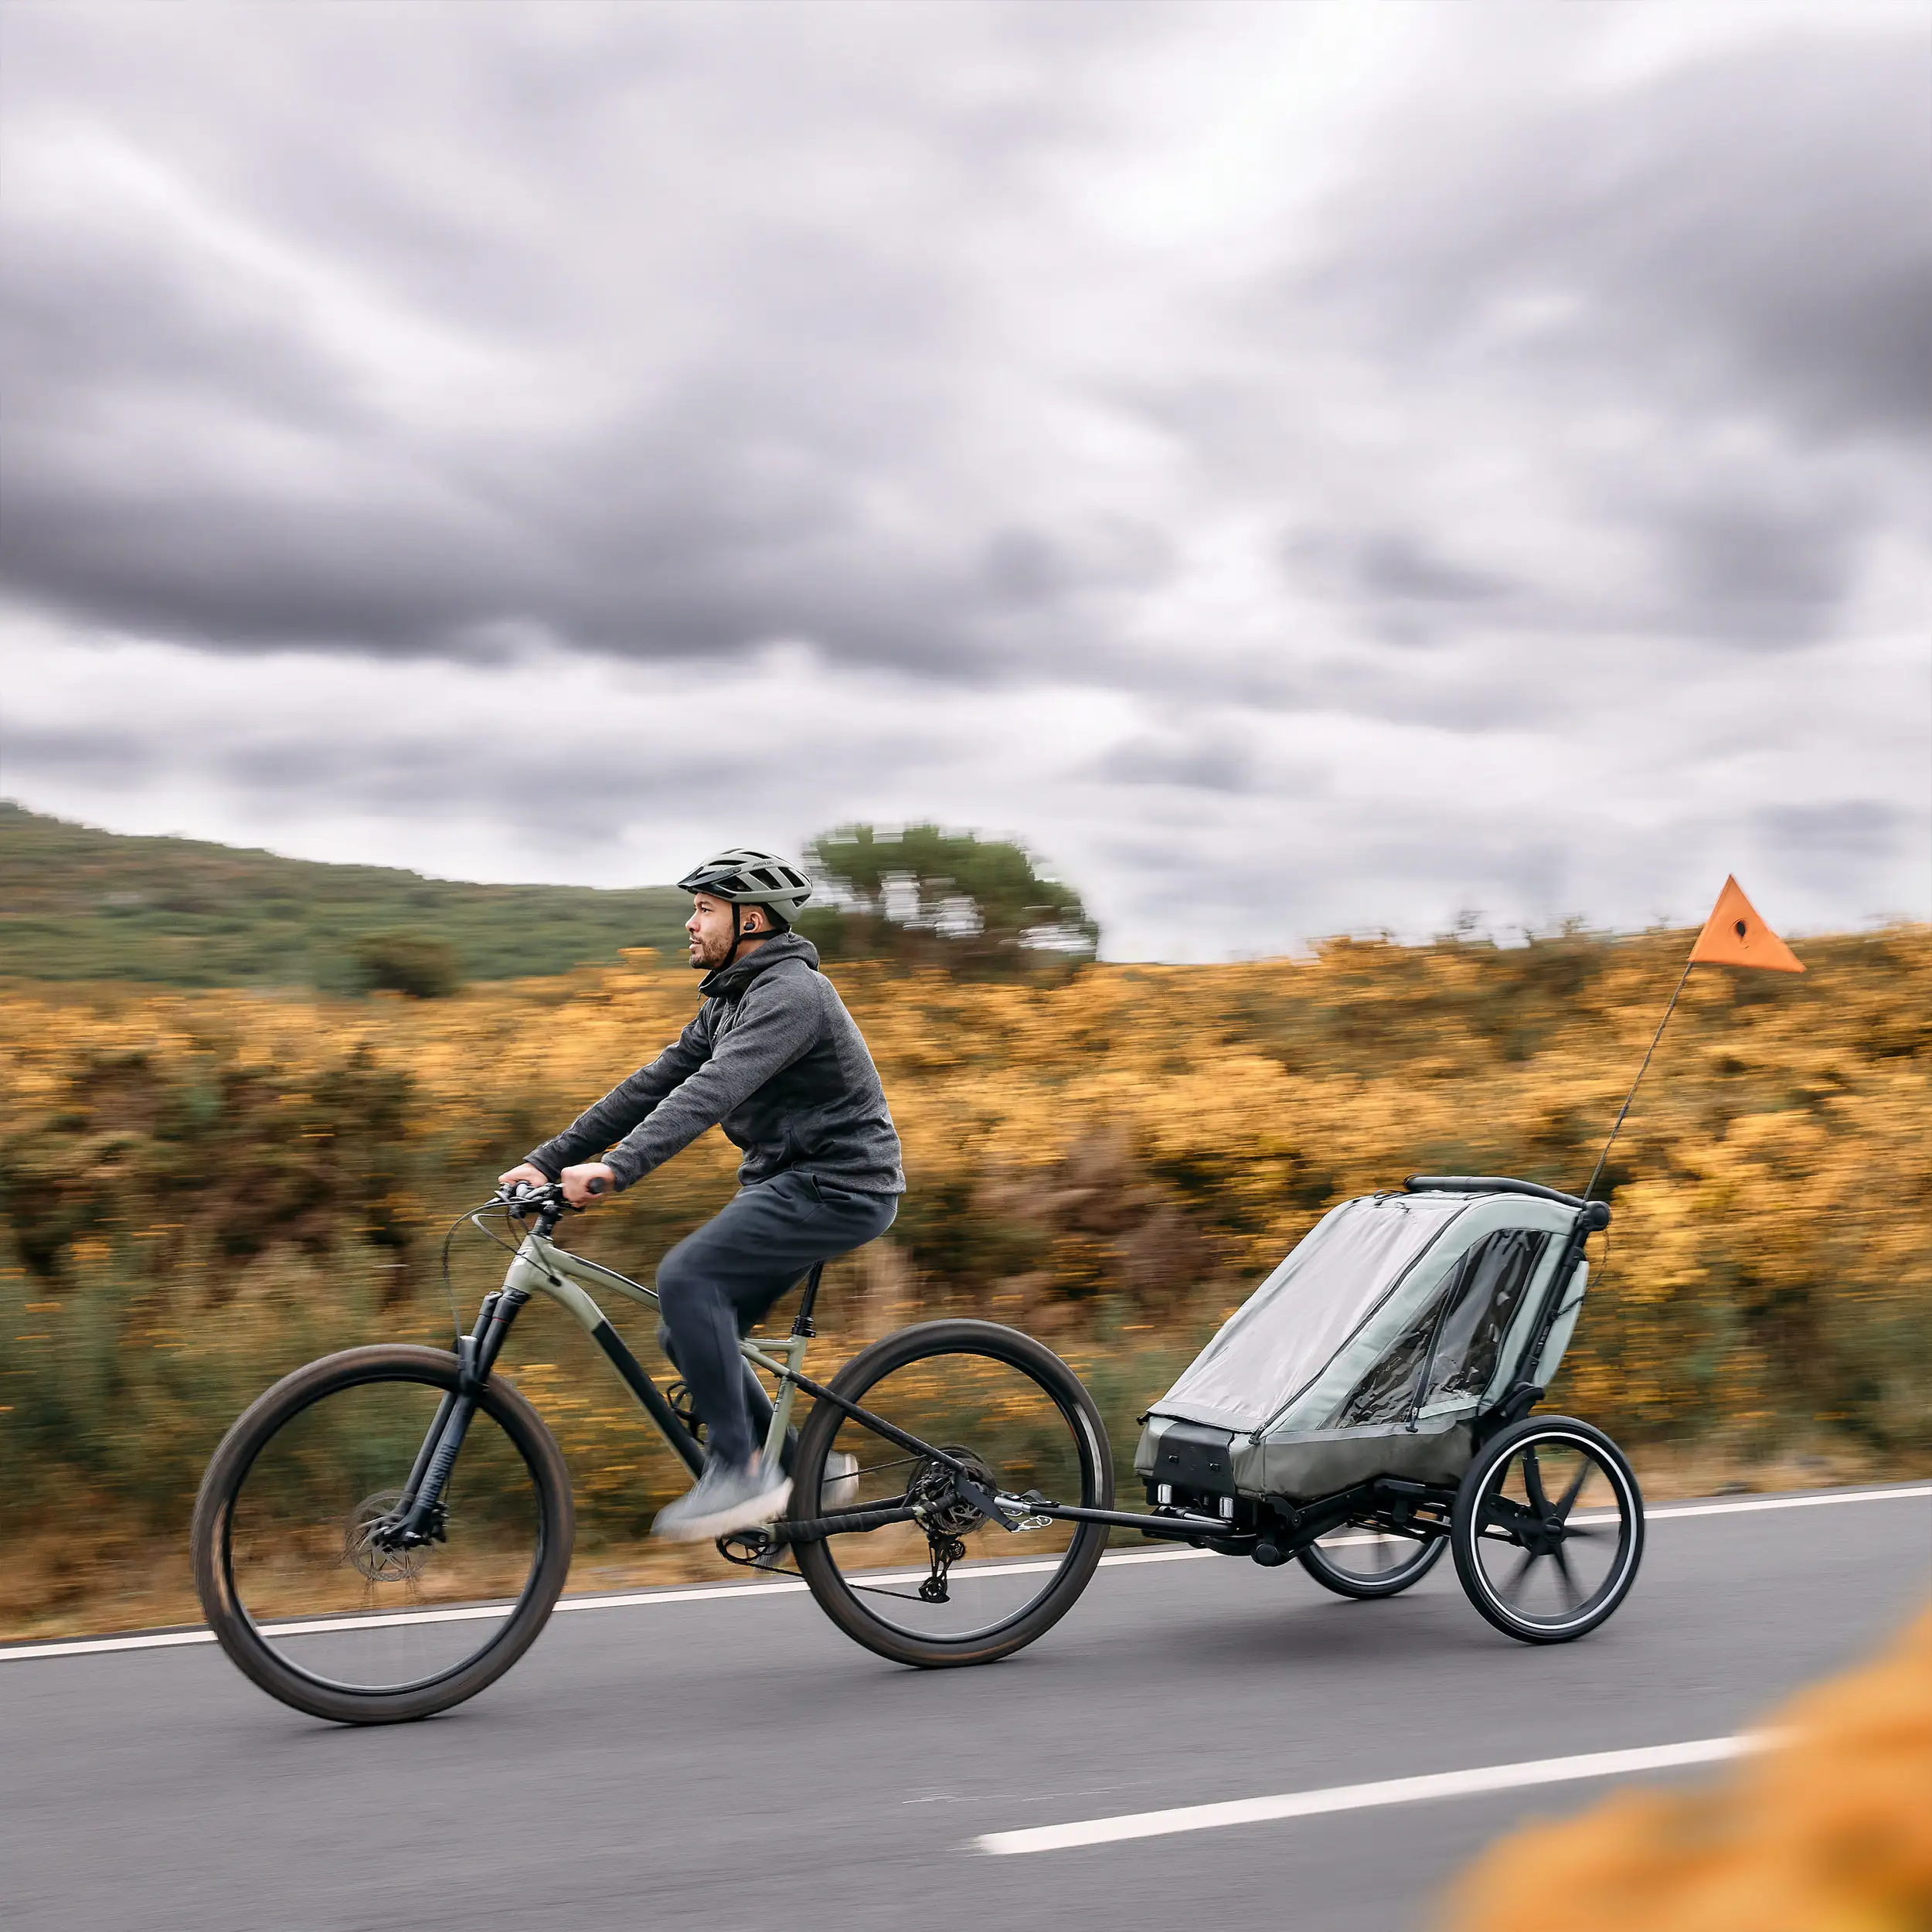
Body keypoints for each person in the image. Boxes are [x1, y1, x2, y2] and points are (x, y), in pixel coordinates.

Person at [498, 847, 903, 1541]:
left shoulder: (792, 996)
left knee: (687, 1279)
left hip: (841, 1185)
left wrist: (615, 1169)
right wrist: (547, 1160)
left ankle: (743, 1470)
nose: (690, 923)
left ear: (751, 920)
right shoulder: (732, 999)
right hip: (789, 1184)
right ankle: (808, 1467)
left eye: (704, 910)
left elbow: (707, 1094)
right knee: (686, 1326)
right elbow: (651, 1084)